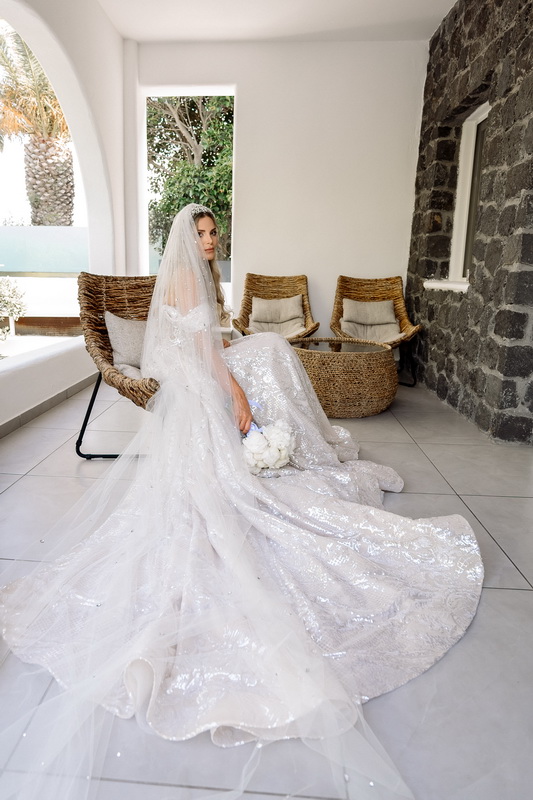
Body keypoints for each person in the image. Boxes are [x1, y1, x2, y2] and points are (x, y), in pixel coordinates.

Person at [0, 204, 483, 800]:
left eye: (213, 233)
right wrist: (235, 394)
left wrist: (230, 362)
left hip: (189, 365)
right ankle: (286, 440)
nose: (210, 241)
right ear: (186, 237)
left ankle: (295, 440)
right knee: (262, 369)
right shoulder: (187, 277)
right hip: (191, 374)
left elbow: (205, 339)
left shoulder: (195, 274)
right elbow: (200, 349)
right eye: (201, 233)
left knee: (270, 352)